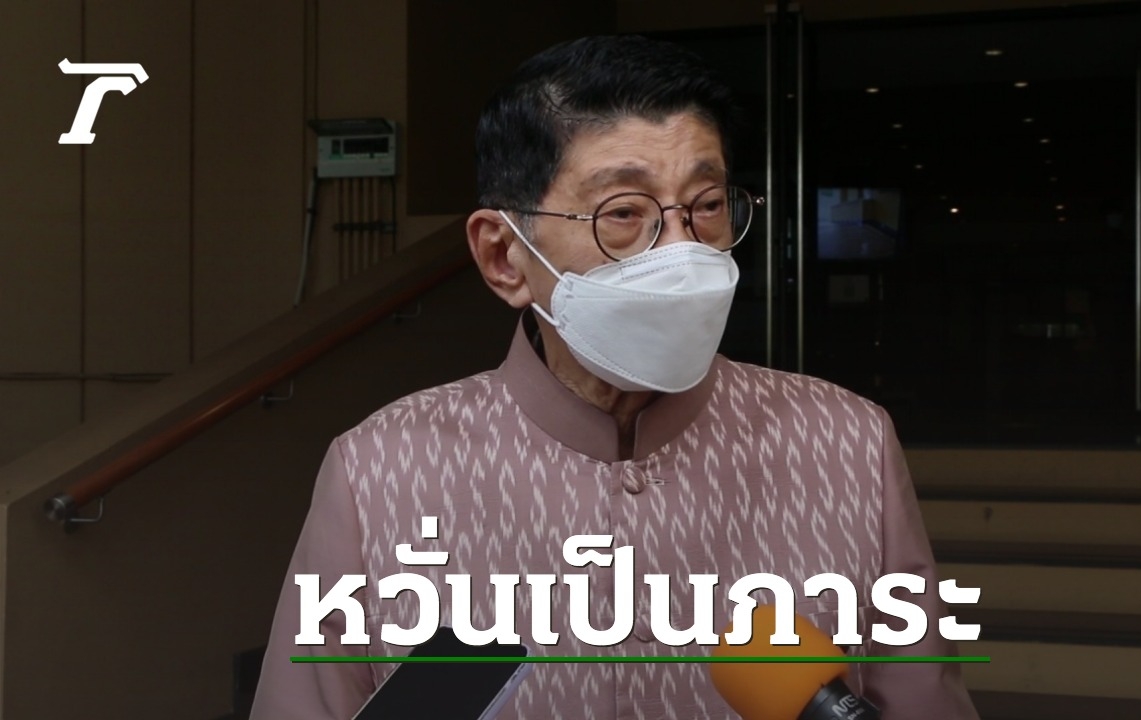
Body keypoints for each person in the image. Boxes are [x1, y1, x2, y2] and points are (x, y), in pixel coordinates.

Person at [250, 35, 979, 720]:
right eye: (623, 213)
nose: (681, 250)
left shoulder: (847, 445)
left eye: (707, 206)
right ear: (503, 256)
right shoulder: (380, 470)